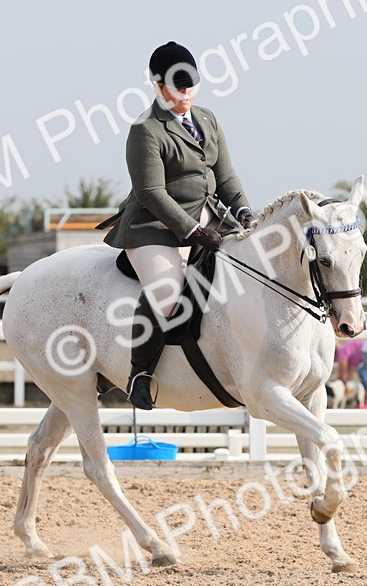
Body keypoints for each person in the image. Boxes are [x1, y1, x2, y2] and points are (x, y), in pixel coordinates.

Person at [100, 41, 255, 410]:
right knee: (168, 294)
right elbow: (151, 192)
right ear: (158, 86)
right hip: (153, 225)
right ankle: (139, 373)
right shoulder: (146, 129)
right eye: (178, 88)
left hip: (208, 216)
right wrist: (193, 231)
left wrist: (244, 210)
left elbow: (225, 174)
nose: (186, 95)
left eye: (191, 87)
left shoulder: (207, 119)